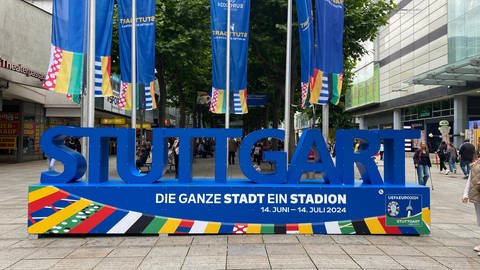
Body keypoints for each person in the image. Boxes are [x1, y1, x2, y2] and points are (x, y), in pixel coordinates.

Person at [462, 157, 480, 255]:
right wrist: (465, 194)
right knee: (479, 221)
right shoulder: (475, 164)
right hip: (476, 196)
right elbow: (470, 179)